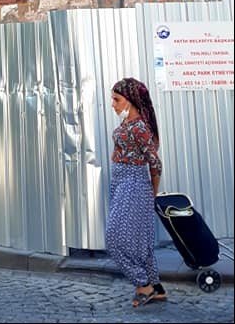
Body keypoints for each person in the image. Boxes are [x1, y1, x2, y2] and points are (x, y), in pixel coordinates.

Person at [105, 77, 168, 307]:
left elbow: (155, 162)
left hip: (134, 183)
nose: (113, 104)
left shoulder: (139, 127)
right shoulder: (127, 124)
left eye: (116, 99)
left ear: (130, 101)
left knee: (113, 239)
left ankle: (143, 284)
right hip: (121, 181)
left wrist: (152, 192)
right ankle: (156, 286)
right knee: (143, 242)